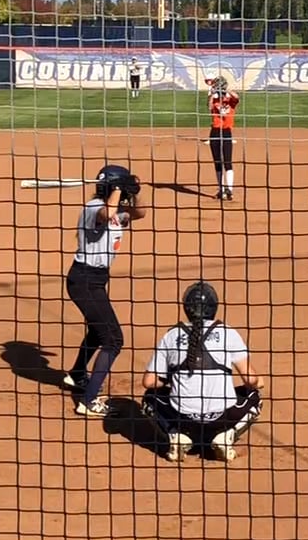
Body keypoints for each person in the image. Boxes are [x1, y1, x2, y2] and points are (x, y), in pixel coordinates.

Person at [141, 281, 264, 463]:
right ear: (214, 307)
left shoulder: (172, 335)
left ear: (187, 308)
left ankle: (176, 434)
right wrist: (258, 381)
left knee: (150, 397)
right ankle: (226, 436)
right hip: (222, 418)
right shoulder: (228, 333)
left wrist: (172, 378)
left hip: (183, 419)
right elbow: (250, 379)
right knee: (255, 396)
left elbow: (149, 382)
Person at [63, 164, 150, 416]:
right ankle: (88, 401)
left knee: (97, 330)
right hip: (84, 280)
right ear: (112, 188)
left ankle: (77, 374)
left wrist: (134, 191)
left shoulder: (117, 210)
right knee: (113, 340)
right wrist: (118, 190)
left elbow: (140, 213)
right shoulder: (94, 208)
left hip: (96, 280)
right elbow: (106, 213)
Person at [206, 75, 240, 200]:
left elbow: (237, 97)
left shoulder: (231, 100)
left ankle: (229, 189)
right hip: (215, 132)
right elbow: (209, 106)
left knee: (227, 161)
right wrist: (213, 94)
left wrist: (226, 90)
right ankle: (220, 189)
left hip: (226, 132)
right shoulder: (214, 100)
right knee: (217, 162)